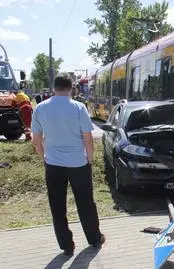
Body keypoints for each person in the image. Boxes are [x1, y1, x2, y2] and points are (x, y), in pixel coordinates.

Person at [31, 73, 105, 256]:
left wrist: (44, 158)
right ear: (71, 87)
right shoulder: (78, 107)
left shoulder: (40, 108)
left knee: (57, 206)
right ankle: (94, 238)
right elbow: (88, 138)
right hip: (78, 164)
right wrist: (90, 158)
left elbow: (36, 140)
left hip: (53, 164)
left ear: (54, 87)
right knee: (86, 203)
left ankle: (66, 245)